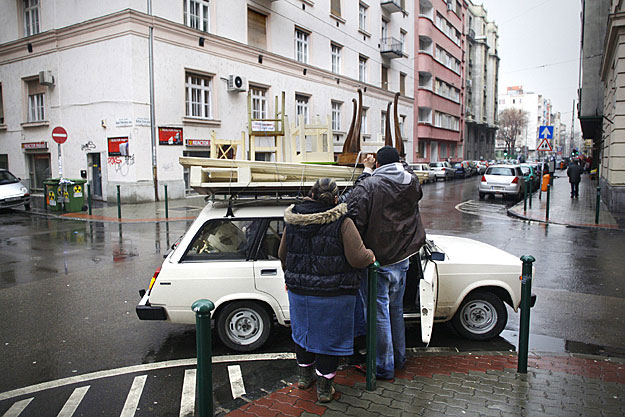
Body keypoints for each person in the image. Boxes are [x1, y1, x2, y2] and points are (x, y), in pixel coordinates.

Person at [278, 178, 375, 402]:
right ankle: (324, 388)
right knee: (329, 342)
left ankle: (304, 378)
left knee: (303, 334)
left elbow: (283, 255)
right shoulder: (342, 221)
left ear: (311, 195)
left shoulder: (293, 220)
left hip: (299, 291)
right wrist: (370, 255)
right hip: (334, 293)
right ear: (335, 198)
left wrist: (291, 277)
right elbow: (357, 258)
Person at [347, 146, 426, 380]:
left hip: (378, 260)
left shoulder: (370, 184)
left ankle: (383, 366)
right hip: (403, 257)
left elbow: (354, 214)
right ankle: (399, 359)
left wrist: (366, 171)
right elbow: (406, 171)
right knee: (395, 310)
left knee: (378, 314)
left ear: (379, 165)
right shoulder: (411, 182)